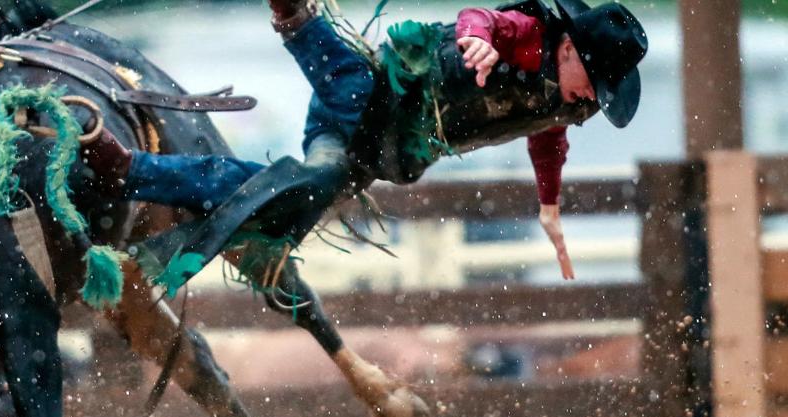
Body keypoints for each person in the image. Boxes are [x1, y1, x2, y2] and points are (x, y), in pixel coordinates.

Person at [81, 0, 648, 294]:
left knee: (291, 195)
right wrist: (475, 39)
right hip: (365, 107)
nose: (593, 101)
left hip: (382, 151)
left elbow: (547, 141)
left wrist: (549, 209)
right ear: (569, 49)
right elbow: (484, 20)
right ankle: (295, 20)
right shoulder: (526, 33)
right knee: (347, 102)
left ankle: (130, 169)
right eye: (596, 87)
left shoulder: (559, 101)